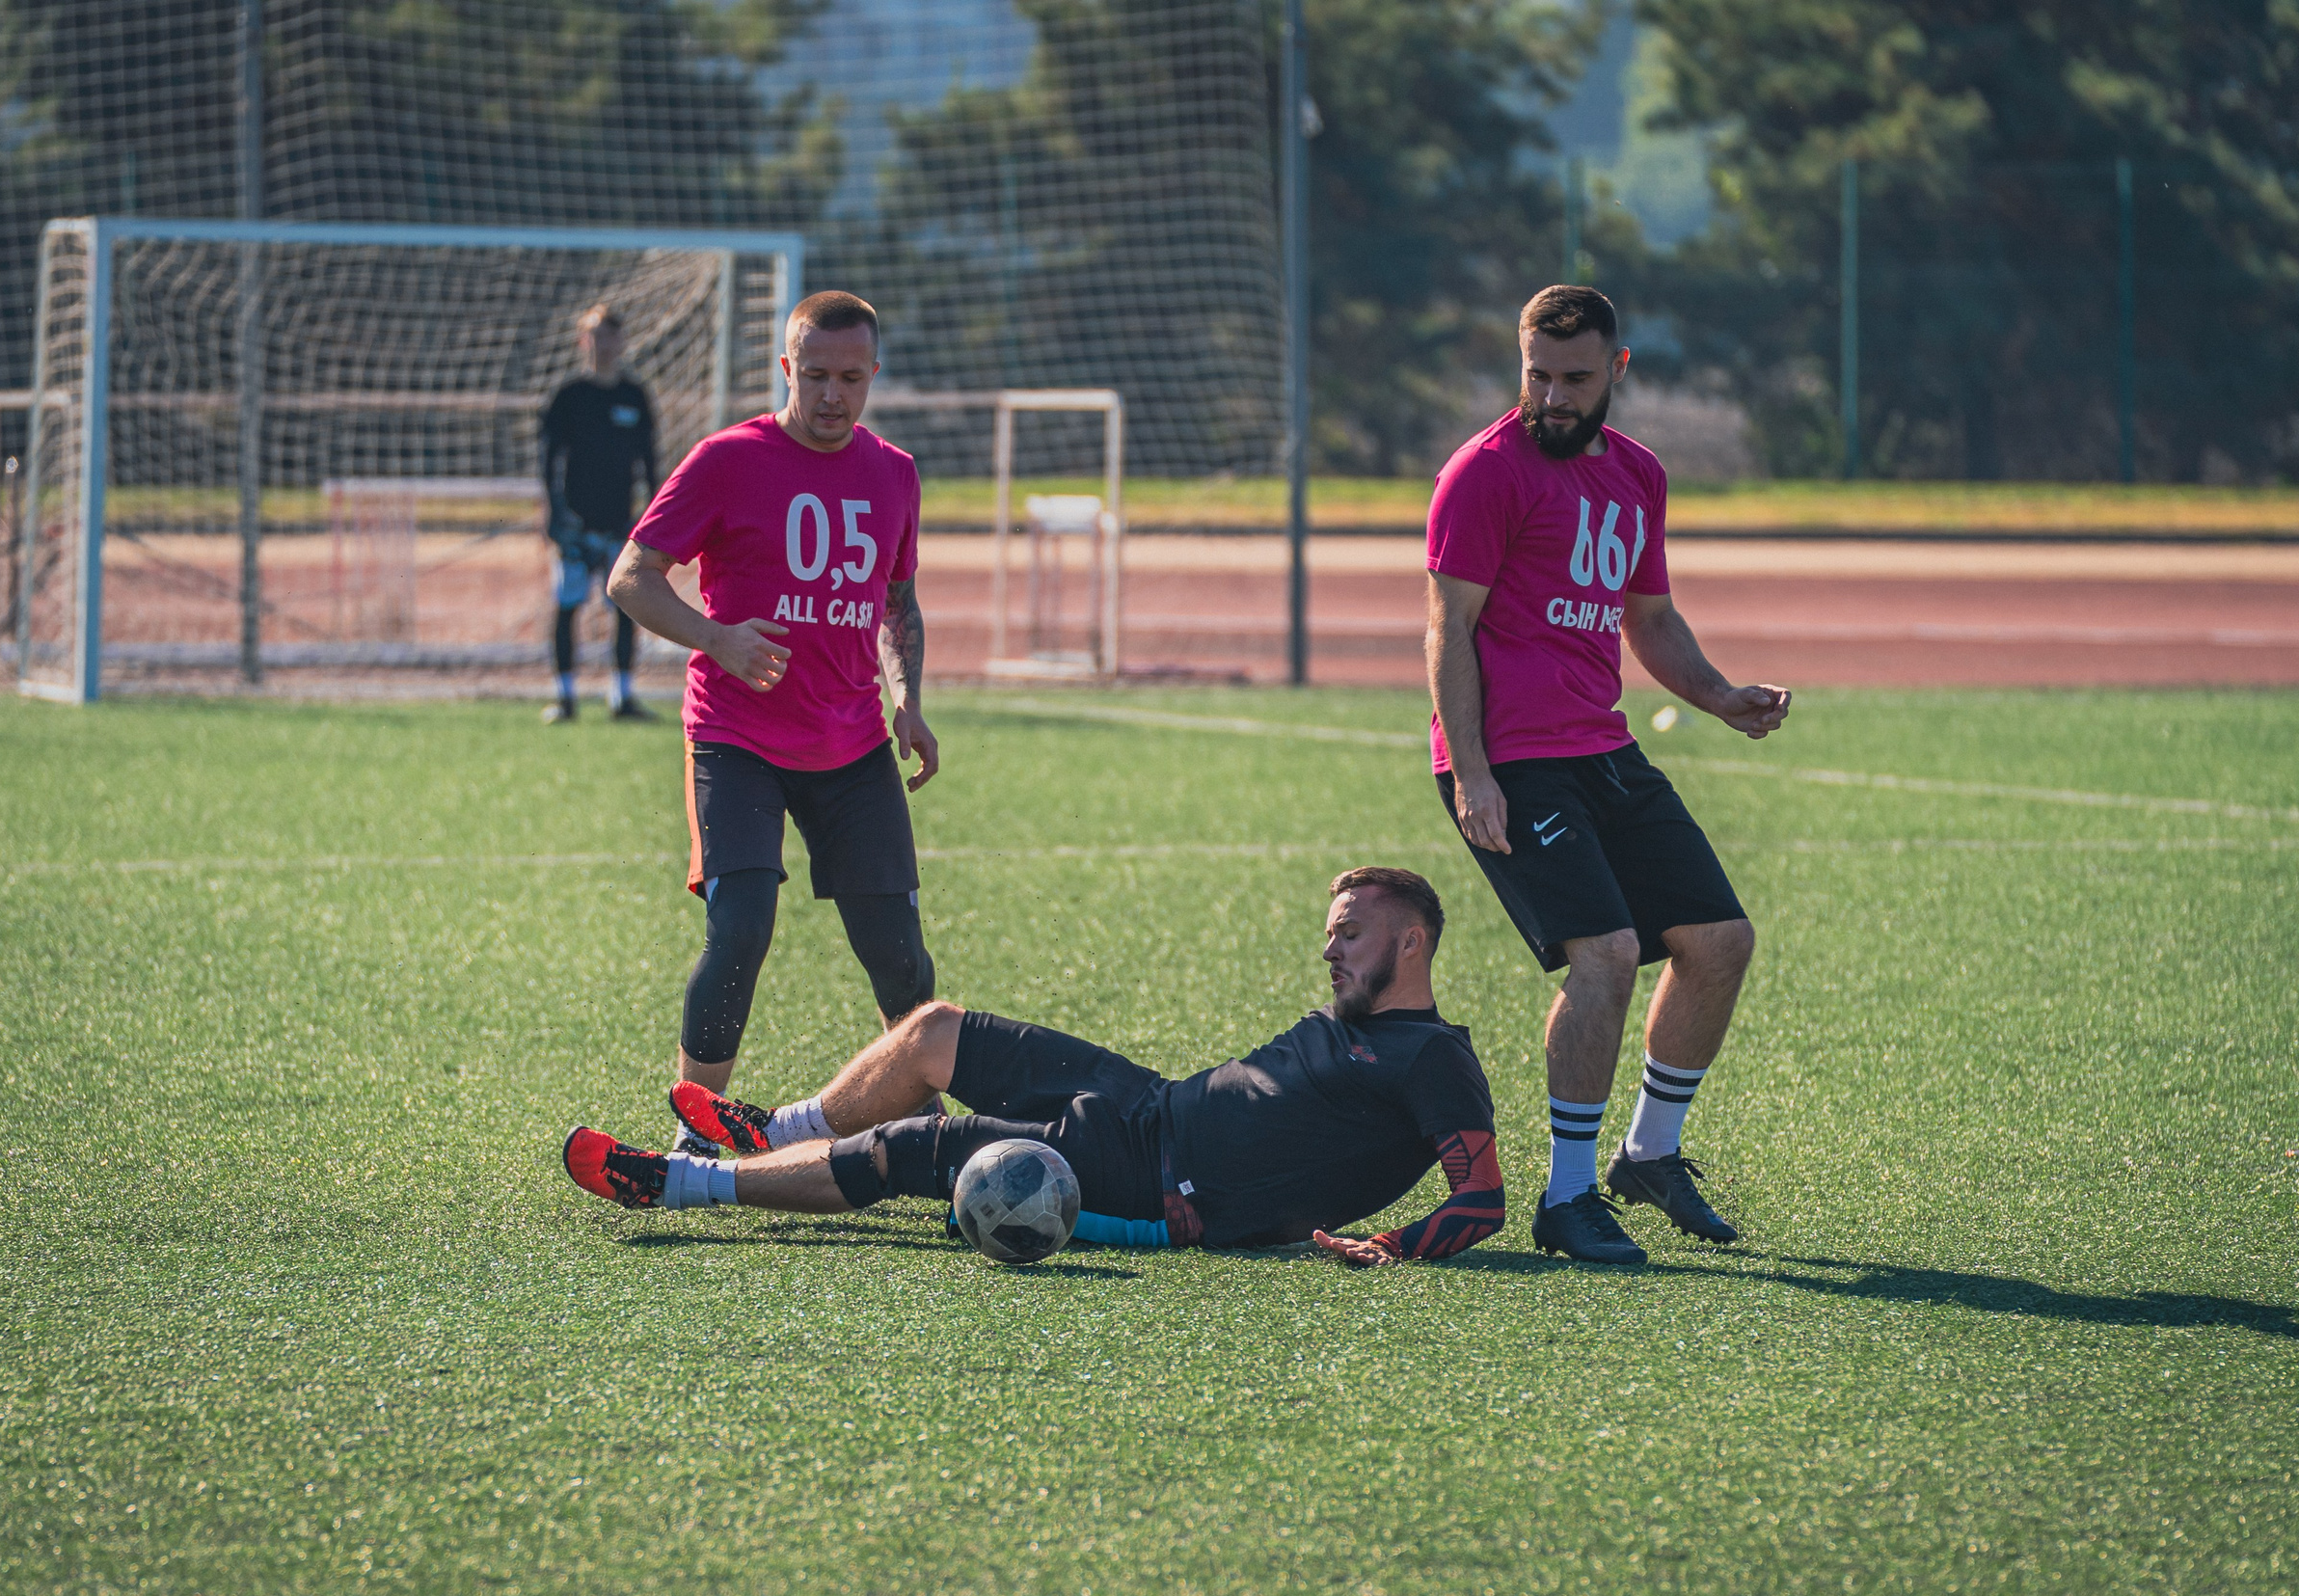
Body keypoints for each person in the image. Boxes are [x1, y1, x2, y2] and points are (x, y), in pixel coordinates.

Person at [563, 867, 1507, 1264]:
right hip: (1144, 1104)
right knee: (936, 1031)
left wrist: (1388, 1245)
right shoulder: (1359, 1026)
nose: (1332, 951)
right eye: (1330, 935)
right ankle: (782, 1134)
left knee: (916, 1148)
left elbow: (1480, 1199)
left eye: (1350, 934)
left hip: (1151, 1177)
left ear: (1413, 942)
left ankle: (682, 1184)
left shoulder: (1432, 1058)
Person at [1424, 284, 1790, 1266]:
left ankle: (1649, 1154)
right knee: (1610, 954)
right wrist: (1470, 772)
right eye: (1535, 374)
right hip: (1512, 765)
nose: (1550, 395)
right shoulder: (1483, 476)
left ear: (1615, 372)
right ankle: (1567, 1195)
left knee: (1719, 941)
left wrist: (1717, 696)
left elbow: (1650, 619)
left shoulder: (1638, 476)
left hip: (1600, 750)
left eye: (1573, 379)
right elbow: (1446, 629)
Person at [605, 290, 939, 1161]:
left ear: (874, 374)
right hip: (735, 736)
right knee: (741, 924)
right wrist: (716, 635)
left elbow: (896, 605)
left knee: (900, 956)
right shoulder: (726, 460)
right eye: (818, 376)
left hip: (853, 741)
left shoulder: (894, 472)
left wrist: (907, 698)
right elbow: (631, 577)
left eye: (852, 378)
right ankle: (693, 1129)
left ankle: (919, 1129)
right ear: (786, 369)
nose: (834, 396)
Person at [540, 305, 659, 722]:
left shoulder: (634, 396)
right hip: (576, 524)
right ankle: (564, 697)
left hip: (622, 525)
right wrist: (556, 517)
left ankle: (621, 697)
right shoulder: (569, 396)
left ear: (620, 341)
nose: (602, 344)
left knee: (626, 608)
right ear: (582, 341)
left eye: (610, 335)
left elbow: (650, 463)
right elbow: (548, 461)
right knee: (567, 605)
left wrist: (650, 518)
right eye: (594, 335)